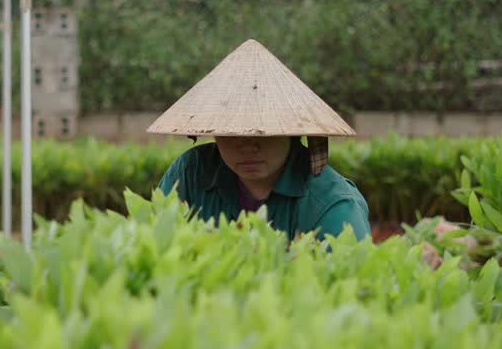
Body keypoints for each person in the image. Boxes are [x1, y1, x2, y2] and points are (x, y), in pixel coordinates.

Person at [150, 40, 371, 241]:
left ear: (291, 131)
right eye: (233, 132)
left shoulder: (333, 204)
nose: (248, 146)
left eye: (262, 132)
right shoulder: (191, 172)